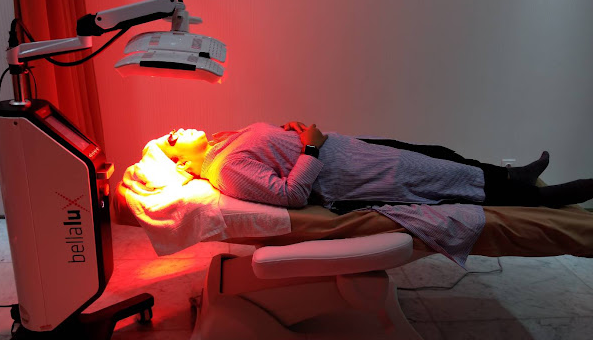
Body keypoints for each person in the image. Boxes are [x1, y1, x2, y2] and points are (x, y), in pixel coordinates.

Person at [157, 122, 593, 210]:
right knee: (449, 179)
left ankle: (515, 175)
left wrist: (292, 130)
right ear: (182, 164)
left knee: (441, 152)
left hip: (352, 148)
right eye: (172, 139)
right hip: (355, 173)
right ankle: (542, 199)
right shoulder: (225, 169)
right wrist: (309, 148)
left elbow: (273, 150)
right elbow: (291, 195)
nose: (177, 129)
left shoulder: (224, 142)